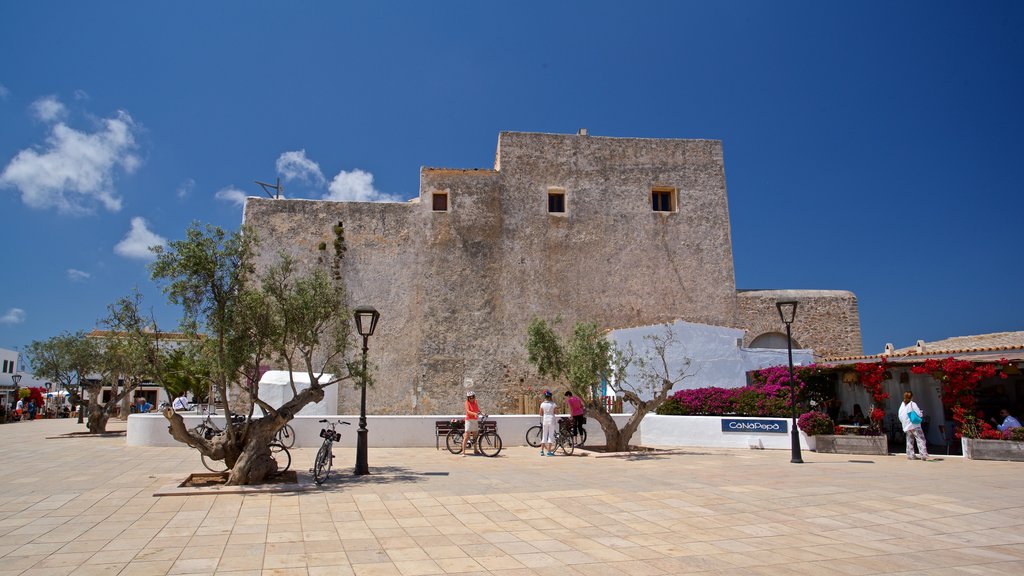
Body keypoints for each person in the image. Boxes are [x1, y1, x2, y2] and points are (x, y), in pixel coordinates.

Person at [898, 391, 929, 461]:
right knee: (921, 439)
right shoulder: (912, 404)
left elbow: (900, 415)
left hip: (907, 426)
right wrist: (921, 413)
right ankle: (923, 455)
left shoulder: (902, 405)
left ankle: (910, 455)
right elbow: (918, 413)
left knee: (909, 440)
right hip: (914, 425)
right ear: (911, 397)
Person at [461, 391, 482, 456]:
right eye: (470, 397)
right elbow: (468, 411)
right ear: (468, 398)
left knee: (475, 436)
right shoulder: (467, 403)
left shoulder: (475, 402)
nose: (471, 398)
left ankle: (475, 450)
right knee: (467, 436)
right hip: (469, 420)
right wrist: (474, 414)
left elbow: (477, 410)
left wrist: (482, 413)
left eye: (473, 397)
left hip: (475, 420)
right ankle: (463, 451)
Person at [539, 390, 557, 456]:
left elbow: (540, 413)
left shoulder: (542, 404)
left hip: (545, 420)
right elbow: (556, 412)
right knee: (550, 436)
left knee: (544, 435)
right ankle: (549, 452)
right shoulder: (553, 404)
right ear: (550, 397)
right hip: (551, 420)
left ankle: (541, 451)